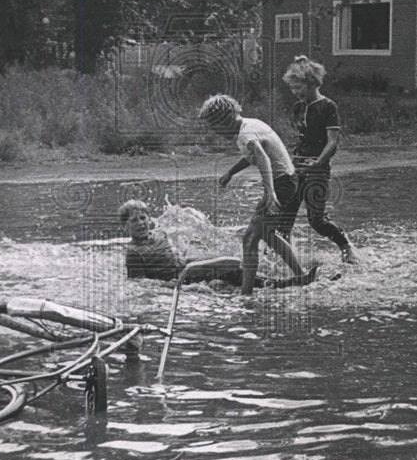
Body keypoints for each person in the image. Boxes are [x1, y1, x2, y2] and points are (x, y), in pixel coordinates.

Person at [197, 94, 319, 295]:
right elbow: (253, 154)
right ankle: (302, 276)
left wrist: (270, 192)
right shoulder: (250, 125)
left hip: (281, 184)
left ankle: (246, 294)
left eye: (214, 125)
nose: (214, 131)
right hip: (288, 180)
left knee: (249, 237)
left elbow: (262, 158)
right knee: (268, 235)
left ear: (225, 118)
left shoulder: (245, 135)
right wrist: (231, 172)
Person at [118, 200, 320, 289]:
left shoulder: (160, 233)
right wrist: (171, 286)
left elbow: (174, 252)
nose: (140, 224)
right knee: (233, 265)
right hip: (179, 277)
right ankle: (288, 283)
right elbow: (140, 284)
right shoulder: (134, 253)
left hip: (187, 265)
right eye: (134, 221)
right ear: (125, 225)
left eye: (143, 218)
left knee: (234, 270)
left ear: (149, 219)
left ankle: (282, 281)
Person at [282, 55, 358, 263]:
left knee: (316, 220)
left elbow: (332, 142)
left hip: (318, 168)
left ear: (312, 83)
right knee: (284, 218)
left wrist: (319, 162)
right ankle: (278, 257)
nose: (296, 93)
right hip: (296, 166)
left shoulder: (328, 106)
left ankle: (346, 246)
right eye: (293, 88)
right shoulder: (298, 107)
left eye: (299, 88)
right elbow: (301, 137)